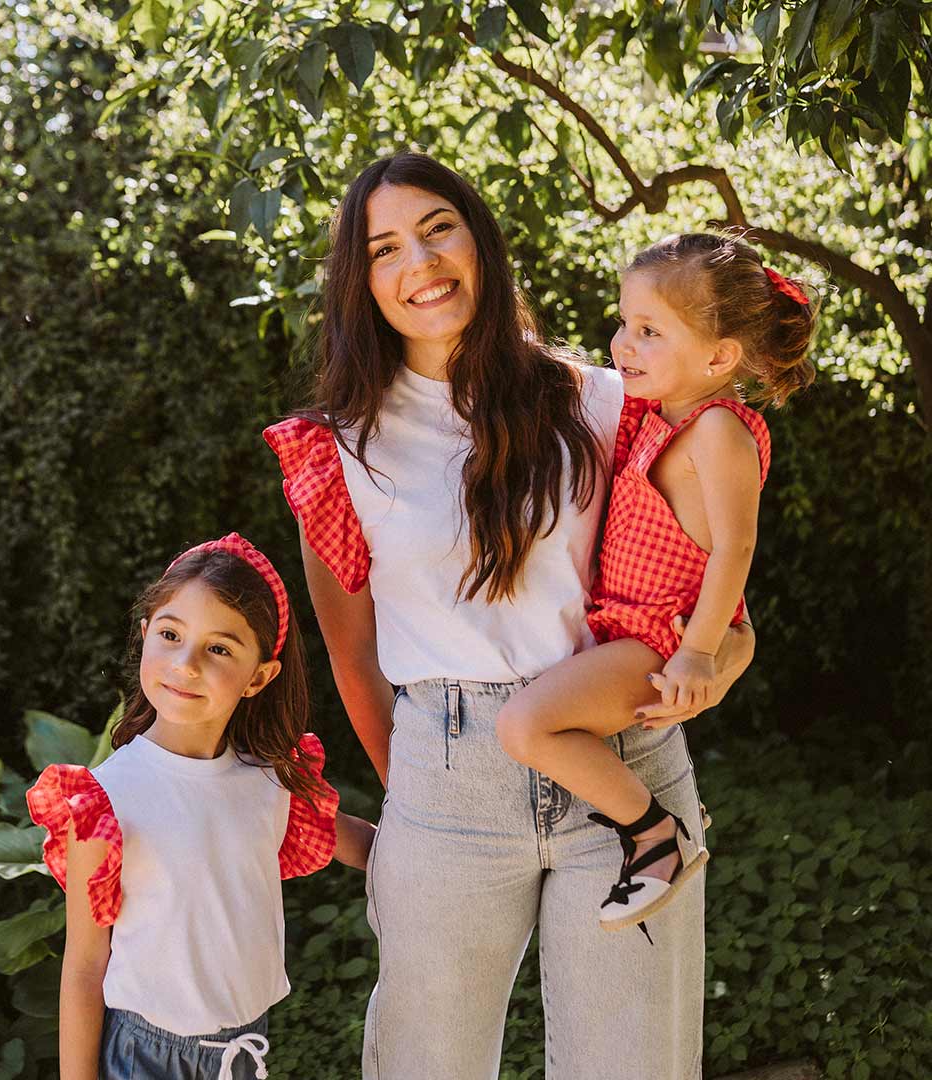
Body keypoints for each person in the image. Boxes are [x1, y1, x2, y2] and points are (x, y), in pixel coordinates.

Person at [263, 153, 757, 1079]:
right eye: (384, 248)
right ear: (360, 280)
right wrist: (421, 800)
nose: (420, 262)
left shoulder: (602, 402)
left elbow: (702, 581)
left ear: (479, 240)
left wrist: (727, 655)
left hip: (622, 765)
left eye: (438, 228)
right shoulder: (337, 450)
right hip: (445, 782)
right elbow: (352, 658)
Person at [495, 232, 818, 935]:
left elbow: (735, 548)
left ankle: (655, 836)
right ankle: (658, 826)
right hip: (626, 629)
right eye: (624, 323)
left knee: (524, 725)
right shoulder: (651, 413)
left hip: (659, 639)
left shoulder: (718, 432)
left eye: (649, 331)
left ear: (719, 358)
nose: (623, 344)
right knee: (532, 723)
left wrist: (699, 653)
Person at [26, 534, 375, 1080]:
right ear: (146, 635)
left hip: (244, 1052)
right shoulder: (105, 800)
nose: (185, 664)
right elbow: (86, 966)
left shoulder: (270, 780)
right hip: (146, 1056)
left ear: (258, 677)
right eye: (170, 635)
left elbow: (363, 844)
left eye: (219, 649)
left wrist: (445, 856)